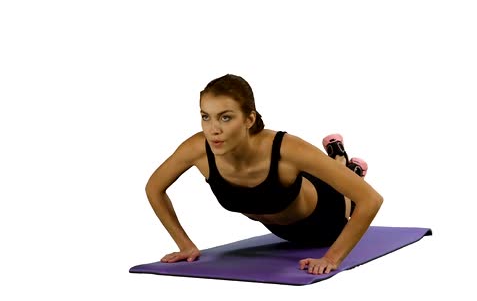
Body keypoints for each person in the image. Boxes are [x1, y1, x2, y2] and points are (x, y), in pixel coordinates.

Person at [145, 74, 384, 275]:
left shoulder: (286, 148)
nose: (213, 129)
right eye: (206, 116)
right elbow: (154, 188)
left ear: (249, 119)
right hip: (282, 232)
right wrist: (184, 245)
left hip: (324, 221)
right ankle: (343, 164)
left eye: (226, 117)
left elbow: (371, 200)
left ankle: (341, 161)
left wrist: (332, 258)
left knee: (349, 202)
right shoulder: (197, 149)